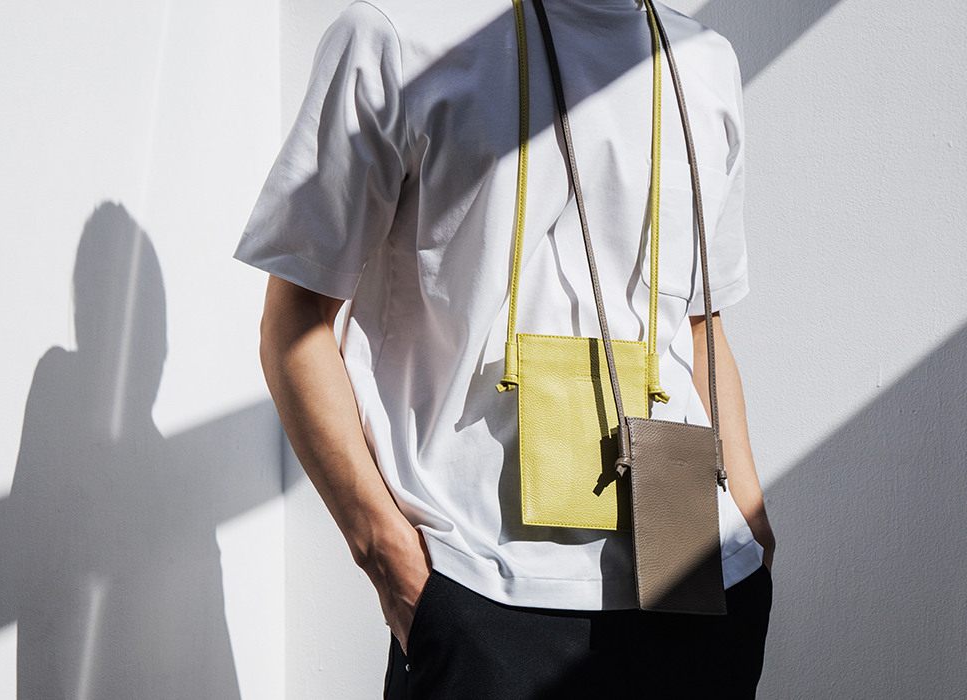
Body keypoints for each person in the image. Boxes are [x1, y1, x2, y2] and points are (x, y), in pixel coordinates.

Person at [235, 0, 775, 697]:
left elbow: (699, 325)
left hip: (692, 565)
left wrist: (752, 530)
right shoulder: (397, 34)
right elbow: (295, 318)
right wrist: (391, 562)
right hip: (482, 588)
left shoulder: (699, 59)